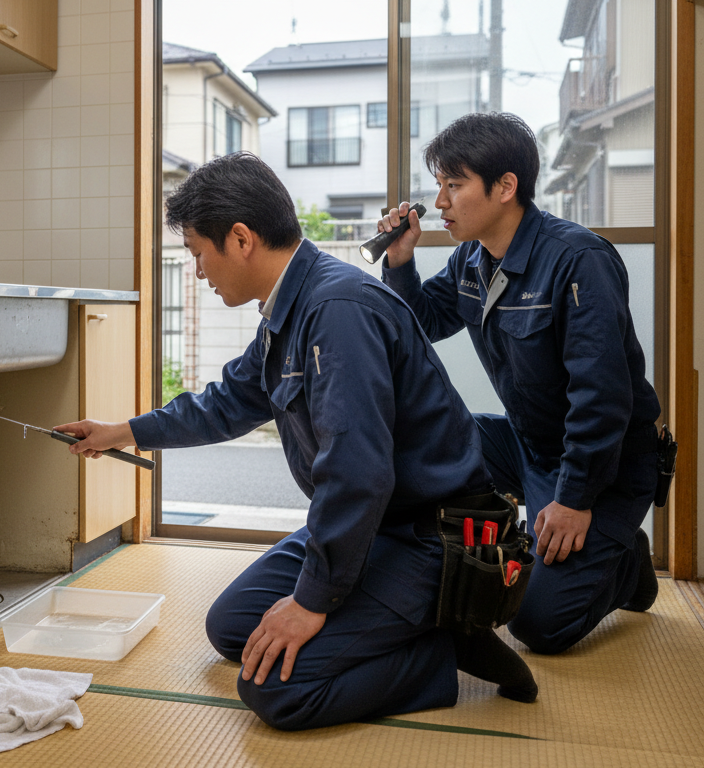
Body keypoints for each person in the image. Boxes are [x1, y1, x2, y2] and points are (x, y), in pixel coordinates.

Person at [56, 152, 536, 731]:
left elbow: (356, 473)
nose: (198, 272)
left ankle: (442, 649)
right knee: (234, 627)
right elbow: (227, 402)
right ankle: (399, 622)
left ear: (241, 239)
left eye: (198, 254)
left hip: (428, 536)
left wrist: (312, 602)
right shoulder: (291, 306)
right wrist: (122, 432)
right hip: (376, 524)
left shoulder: (336, 311)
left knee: (278, 689)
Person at [375, 112, 662, 656]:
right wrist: (400, 261)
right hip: (530, 443)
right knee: (415, 439)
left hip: (605, 464)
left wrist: (574, 500)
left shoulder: (579, 261)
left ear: (505, 187)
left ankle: (625, 564)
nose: (440, 202)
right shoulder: (472, 258)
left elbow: (602, 399)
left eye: (454, 185)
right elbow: (422, 323)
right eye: (439, 185)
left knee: (537, 624)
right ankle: (490, 548)